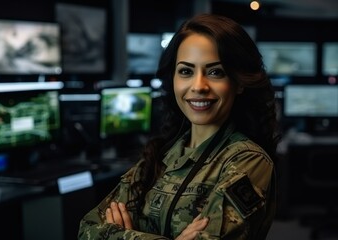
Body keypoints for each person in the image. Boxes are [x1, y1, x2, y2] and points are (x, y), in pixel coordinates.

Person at [78, 13, 281, 240]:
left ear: (239, 83)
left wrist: (119, 234)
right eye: (186, 71)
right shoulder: (161, 155)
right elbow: (88, 229)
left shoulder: (248, 160)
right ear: (173, 78)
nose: (198, 86)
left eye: (216, 72)